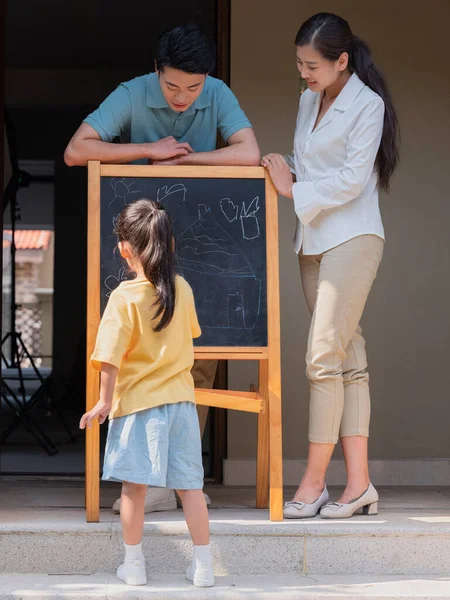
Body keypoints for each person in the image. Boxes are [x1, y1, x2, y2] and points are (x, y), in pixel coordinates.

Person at [66, 22, 260, 513]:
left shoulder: (216, 94)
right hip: (145, 251)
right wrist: (148, 151)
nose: (182, 97)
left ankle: (180, 480)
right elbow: (77, 150)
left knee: (201, 359)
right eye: (172, 86)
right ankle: (149, 482)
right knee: (141, 360)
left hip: (203, 252)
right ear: (157, 72)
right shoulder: (132, 93)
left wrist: (191, 163)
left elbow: (250, 153)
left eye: (193, 88)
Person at [262, 13, 399, 519]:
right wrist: (287, 168)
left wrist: (291, 188)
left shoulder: (369, 104)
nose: (304, 72)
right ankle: (360, 485)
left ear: (342, 61)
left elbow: (349, 180)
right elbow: (314, 168)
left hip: (354, 237)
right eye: (299, 63)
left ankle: (314, 483)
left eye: (313, 64)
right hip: (313, 239)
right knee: (347, 357)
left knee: (322, 355)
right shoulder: (307, 100)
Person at [80, 199, 214, 587]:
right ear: (169, 246)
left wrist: (104, 401)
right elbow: (189, 334)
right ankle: (204, 567)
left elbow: (109, 356)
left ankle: (134, 566)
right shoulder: (182, 288)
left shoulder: (123, 297)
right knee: (190, 487)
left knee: (133, 489)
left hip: (139, 406)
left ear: (125, 249)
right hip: (182, 406)